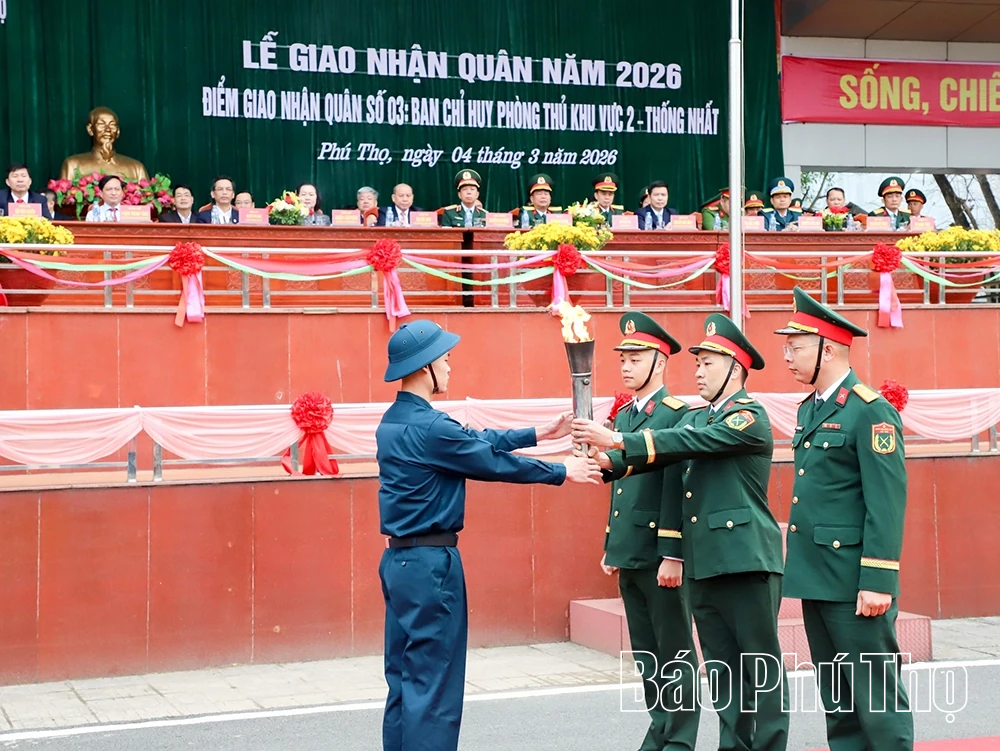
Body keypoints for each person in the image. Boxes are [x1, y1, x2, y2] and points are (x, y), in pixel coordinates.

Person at [376, 319, 601, 751]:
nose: (450, 366)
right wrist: (562, 470)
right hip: (431, 567)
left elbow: (473, 440)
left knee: (404, 679)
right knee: (435, 687)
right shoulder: (431, 428)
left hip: (399, 564)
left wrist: (539, 432)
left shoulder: (394, 422)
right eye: (445, 359)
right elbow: (489, 460)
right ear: (425, 367)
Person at [573, 313, 789, 751]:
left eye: (709, 363)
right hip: (706, 561)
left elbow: (685, 443)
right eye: (698, 363)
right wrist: (604, 458)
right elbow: (665, 453)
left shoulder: (748, 417)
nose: (699, 372)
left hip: (746, 559)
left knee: (761, 668)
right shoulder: (699, 418)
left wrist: (619, 441)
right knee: (724, 672)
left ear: (735, 369)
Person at [775, 287, 913, 750]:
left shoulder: (870, 411)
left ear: (828, 350)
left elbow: (886, 502)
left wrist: (878, 580)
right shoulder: (810, 408)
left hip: (855, 582)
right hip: (817, 579)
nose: (787, 356)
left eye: (796, 347)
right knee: (839, 705)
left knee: (877, 702)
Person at [598, 312, 701, 751]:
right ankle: (659, 731)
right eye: (623, 358)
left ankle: (679, 739)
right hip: (630, 549)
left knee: (674, 651)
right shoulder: (625, 416)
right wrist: (612, 543)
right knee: (647, 655)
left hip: (660, 553)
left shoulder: (676, 415)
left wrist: (673, 553)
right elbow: (621, 483)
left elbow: (678, 486)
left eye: (636, 358)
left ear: (660, 362)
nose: (626, 366)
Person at [59, 106, 149, 182]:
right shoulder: (73, 165)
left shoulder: (136, 168)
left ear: (118, 131)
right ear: (90, 129)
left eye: (112, 125)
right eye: (101, 124)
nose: (108, 129)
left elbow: (147, 196)